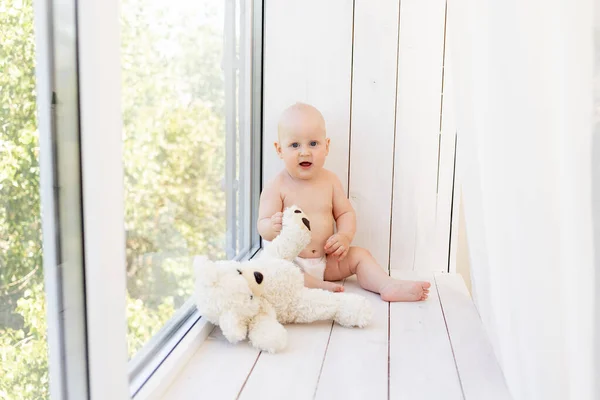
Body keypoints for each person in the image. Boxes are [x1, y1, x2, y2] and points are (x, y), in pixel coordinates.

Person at [257, 102, 430, 302]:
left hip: (327, 261)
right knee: (278, 270)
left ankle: (386, 284)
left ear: (326, 146)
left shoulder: (330, 181)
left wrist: (344, 237)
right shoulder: (276, 186)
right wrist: (272, 226)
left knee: (360, 256)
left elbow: (345, 213)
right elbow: (263, 225)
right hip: (293, 262)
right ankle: (319, 287)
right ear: (279, 150)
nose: (305, 152)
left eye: (313, 143)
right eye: (295, 145)